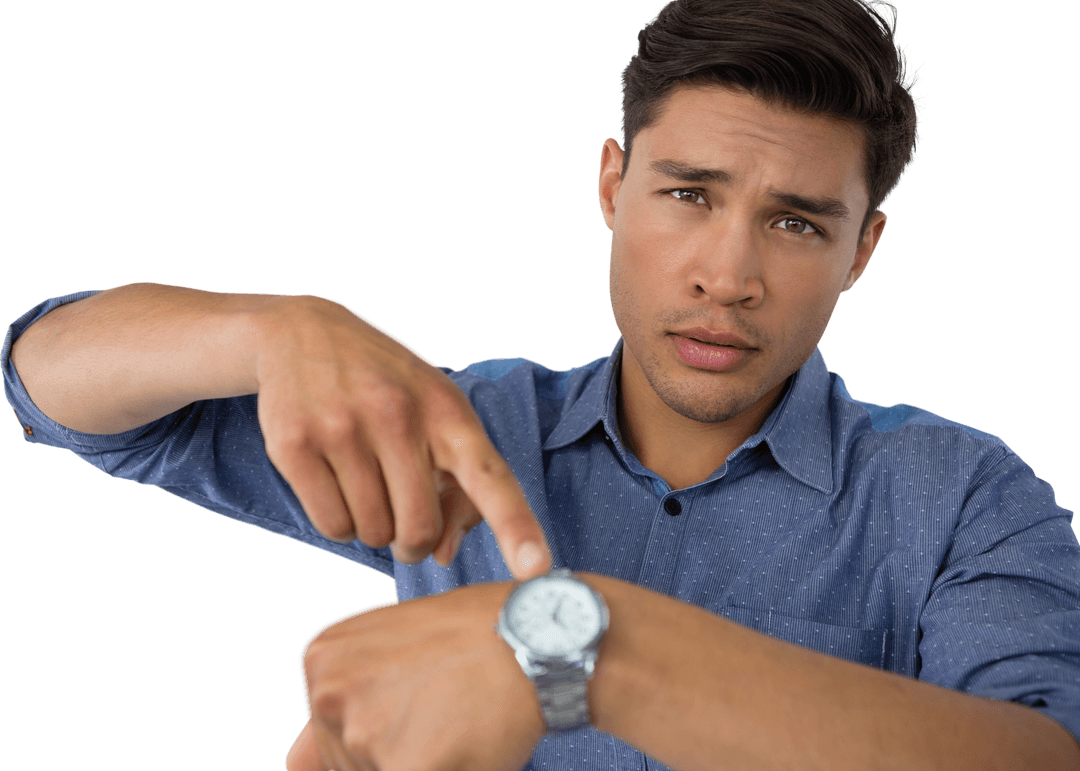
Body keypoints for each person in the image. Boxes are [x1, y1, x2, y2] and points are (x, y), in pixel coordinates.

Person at [4, 0, 1079, 768]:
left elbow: (1042, 756)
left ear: (864, 252)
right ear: (613, 186)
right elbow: (49, 385)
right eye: (689, 194)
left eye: (798, 222)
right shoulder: (461, 430)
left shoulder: (963, 499)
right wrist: (268, 329)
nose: (729, 275)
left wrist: (586, 649)